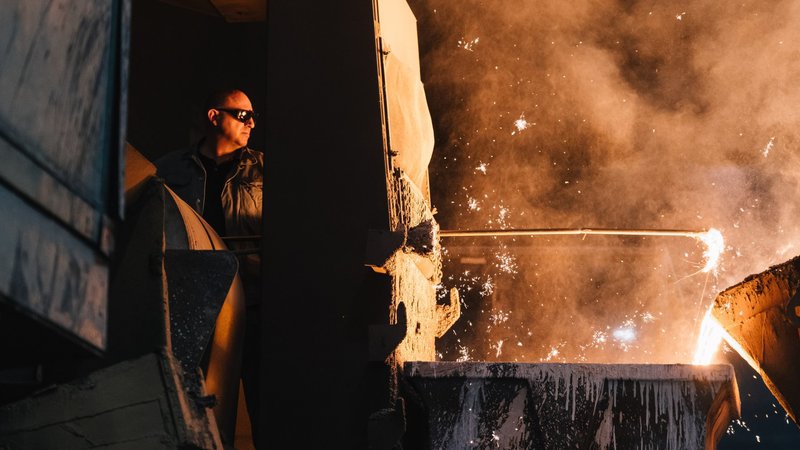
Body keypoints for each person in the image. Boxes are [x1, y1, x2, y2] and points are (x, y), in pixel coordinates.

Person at [155, 88, 263, 447]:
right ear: (214, 117)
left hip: (252, 301)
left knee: (264, 403)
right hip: (191, 305)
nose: (251, 123)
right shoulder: (170, 169)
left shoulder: (265, 170)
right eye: (243, 115)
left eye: (253, 116)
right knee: (194, 404)